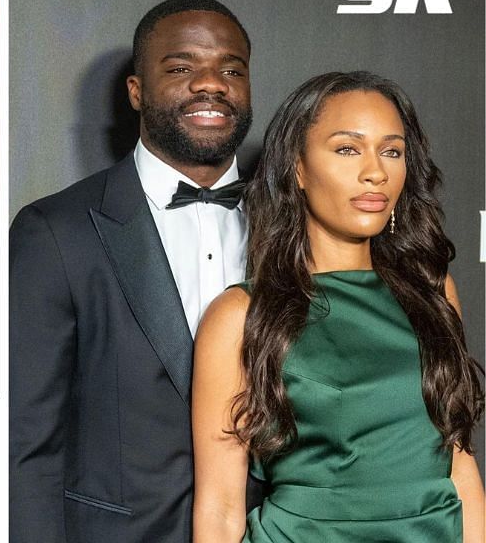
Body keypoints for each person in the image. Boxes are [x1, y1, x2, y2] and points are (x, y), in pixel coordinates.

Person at [192, 71, 485, 542]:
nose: (376, 172)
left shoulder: (433, 292)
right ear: (297, 168)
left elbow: (460, 470)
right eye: (348, 149)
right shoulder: (240, 315)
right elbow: (221, 506)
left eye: (392, 151)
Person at [10, 0, 256, 542]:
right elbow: (27, 445)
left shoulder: (293, 230)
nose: (210, 84)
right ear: (136, 92)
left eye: (231, 69)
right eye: (181, 68)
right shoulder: (56, 232)